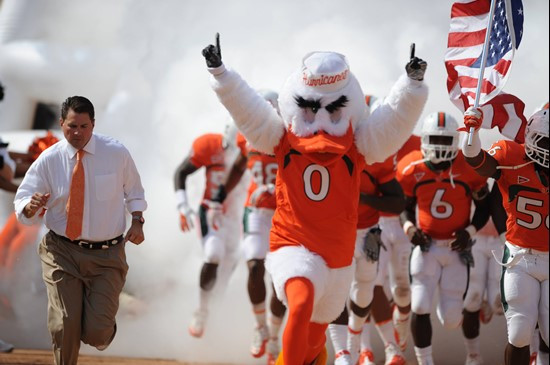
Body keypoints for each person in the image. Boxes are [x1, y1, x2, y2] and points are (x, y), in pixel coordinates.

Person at [202, 34, 428, 364]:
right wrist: (221, 74)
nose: (321, 121)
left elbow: (392, 122)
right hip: (294, 245)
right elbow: (250, 111)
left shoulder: (357, 145)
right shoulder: (283, 138)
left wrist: (411, 85)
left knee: (313, 340)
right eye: (311, 110)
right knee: (301, 299)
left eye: (334, 111)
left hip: (337, 256)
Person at [13, 96, 147, 365]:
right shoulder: (49, 159)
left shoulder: (116, 153)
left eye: (84, 126)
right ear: (62, 123)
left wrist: (137, 221)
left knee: (97, 334)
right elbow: (23, 198)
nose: (77, 133)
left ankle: (99, 326)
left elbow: (134, 192)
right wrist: (31, 207)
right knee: (65, 322)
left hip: (107, 255)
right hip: (61, 250)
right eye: (72, 126)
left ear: (93, 125)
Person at [396, 112, 490, 365]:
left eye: (445, 139)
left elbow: (484, 207)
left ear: (455, 141)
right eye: (435, 138)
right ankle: (424, 361)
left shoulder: (469, 167)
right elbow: (404, 207)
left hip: (456, 248)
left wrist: (469, 232)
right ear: (424, 140)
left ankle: (448, 306)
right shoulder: (410, 167)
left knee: (451, 319)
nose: (439, 145)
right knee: (420, 304)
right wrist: (409, 228)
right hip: (426, 246)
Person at [460, 104, 549, 365]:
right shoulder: (512, 156)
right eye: (545, 140)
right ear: (532, 136)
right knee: (520, 333)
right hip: (522, 258)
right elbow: (480, 163)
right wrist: (472, 136)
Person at [210, 90, 286, 363]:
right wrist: (220, 194)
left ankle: (275, 336)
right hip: (255, 210)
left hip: (285, 212)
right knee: (254, 266)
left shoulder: (291, 134)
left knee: (279, 278)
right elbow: (241, 165)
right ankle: (260, 327)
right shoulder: (246, 134)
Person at [328, 152, 407, 365]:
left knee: (366, 291)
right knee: (335, 290)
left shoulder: (375, 157)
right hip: (337, 232)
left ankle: (354, 339)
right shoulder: (326, 153)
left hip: (370, 232)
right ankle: (343, 352)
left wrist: (364, 199)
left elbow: (398, 203)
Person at [174, 121, 247, 338]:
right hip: (211, 211)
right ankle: (201, 311)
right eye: (228, 147)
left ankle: (214, 315)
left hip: (238, 216)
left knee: (228, 267)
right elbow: (181, 172)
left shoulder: (256, 149)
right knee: (214, 254)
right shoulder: (210, 145)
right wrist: (182, 205)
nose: (230, 154)